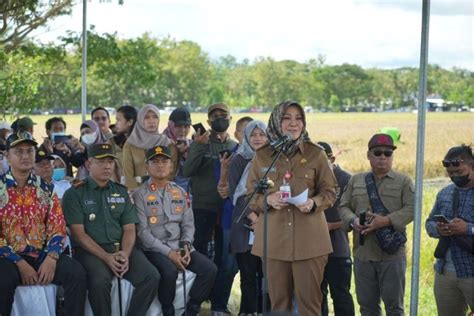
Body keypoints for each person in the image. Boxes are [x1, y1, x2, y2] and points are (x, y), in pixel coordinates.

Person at [246, 101, 337, 315]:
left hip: (310, 242)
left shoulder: (316, 153)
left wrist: (313, 202)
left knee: (310, 305)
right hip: (274, 242)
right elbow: (251, 195)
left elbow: (331, 192)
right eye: (287, 118)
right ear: (277, 121)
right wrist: (268, 200)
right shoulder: (263, 156)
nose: (293, 124)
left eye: (299, 118)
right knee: (279, 307)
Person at [62, 143, 160, 316]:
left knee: (151, 276)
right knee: (100, 281)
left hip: (121, 248)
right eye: (100, 161)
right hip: (91, 251)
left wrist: (125, 253)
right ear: (88, 164)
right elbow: (79, 235)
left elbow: (129, 228)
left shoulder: (121, 192)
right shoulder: (75, 193)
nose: (107, 166)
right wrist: (106, 257)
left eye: (110, 161)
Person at [0, 131, 86, 316]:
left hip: (42, 255)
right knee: (3, 279)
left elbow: (57, 226)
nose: (25, 156)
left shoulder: (45, 188)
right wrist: (20, 263)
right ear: (7, 156)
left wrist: (51, 258)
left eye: (30, 151)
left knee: (76, 273)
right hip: (8, 257)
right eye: (19, 151)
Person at [133, 145, 217, 316]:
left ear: (171, 166)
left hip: (180, 246)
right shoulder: (139, 194)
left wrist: (186, 245)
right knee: (169, 271)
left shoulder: (179, 191)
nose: (160, 165)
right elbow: (143, 233)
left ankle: (192, 308)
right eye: (155, 162)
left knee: (210, 269)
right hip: (155, 248)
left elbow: (188, 224)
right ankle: (167, 309)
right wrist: (169, 253)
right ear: (147, 167)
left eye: (165, 161)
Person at [338, 133, 415, 316]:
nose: (382, 157)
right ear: (368, 155)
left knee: (394, 307)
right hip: (363, 254)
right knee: (367, 307)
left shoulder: (403, 181)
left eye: (388, 153)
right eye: (377, 152)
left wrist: (385, 221)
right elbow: (343, 206)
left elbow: (412, 209)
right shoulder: (356, 180)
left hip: (392, 254)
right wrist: (353, 221)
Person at [182, 102, 237, 314]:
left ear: (230, 118)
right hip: (202, 207)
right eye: (214, 116)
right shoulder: (201, 143)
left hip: (227, 210)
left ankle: (219, 305)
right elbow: (187, 171)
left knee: (226, 259)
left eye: (223, 115)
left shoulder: (235, 146)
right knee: (200, 253)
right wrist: (197, 145)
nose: (219, 119)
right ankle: (193, 301)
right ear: (208, 121)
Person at [425, 145, 473, 316]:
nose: (454, 177)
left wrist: (468, 228)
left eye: (459, 172)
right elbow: (429, 223)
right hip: (445, 272)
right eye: (451, 174)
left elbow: (468, 229)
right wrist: (438, 229)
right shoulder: (445, 193)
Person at [229, 120, 268, 315]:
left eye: (262, 134)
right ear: (246, 137)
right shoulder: (239, 159)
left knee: (266, 275)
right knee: (248, 275)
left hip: (268, 224)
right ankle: (248, 311)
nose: (258, 139)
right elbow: (236, 195)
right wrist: (255, 218)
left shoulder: (272, 160)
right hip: (245, 224)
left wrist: (264, 220)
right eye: (253, 135)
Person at [317, 141, 355, 316]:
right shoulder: (310, 179)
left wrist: (331, 226)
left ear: (332, 158)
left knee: (341, 295)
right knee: (317, 297)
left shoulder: (347, 180)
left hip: (338, 249)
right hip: (313, 251)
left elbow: (357, 215)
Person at [122, 104, 175, 190]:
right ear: (140, 120)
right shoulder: (130, 144)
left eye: (155, 117)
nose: (151, 121)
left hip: (162, 192)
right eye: (146, 117)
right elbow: (128, 175)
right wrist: (135, 194)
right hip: (137, 192)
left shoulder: (167, 143)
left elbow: (171, 172)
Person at [163, 107, 193, 191]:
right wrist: (177, 153)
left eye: (186, 126)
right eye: (179, 126)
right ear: (170, 125)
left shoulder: (190, 144)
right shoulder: (161, 143)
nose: (183, 130)